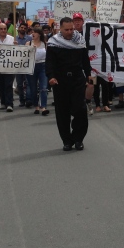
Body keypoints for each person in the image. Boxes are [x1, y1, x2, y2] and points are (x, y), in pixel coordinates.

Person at [46, 18, 93, 151]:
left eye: (71, 29)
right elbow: (49, 63)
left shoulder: (80, 41)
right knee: (62, 112)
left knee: (80, 110)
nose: (70, 32)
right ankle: (67, 141)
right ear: (60, 29)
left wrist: (89, 74)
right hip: (60, 81)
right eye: (66, 29)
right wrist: (51, 76)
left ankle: (78, 139)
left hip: (77, 79)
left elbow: (85, 60)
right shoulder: (53, 43)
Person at [0, 23, 15, 112]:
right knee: (1, 85)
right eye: (1, 29)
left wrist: (16, 46)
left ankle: (9, 104)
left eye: (5, 29)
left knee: (8, 85)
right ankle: (3, 102)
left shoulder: (12, 39)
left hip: (9, 66)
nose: (3, 30)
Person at [27, 27, 50, 116]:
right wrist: (30, 49)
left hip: (43, 66)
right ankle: (36, 105)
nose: (33, 34)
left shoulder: (45, 44)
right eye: (32, 32)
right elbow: (23, 55)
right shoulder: (28, 43)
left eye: (35, 32)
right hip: (32, 67)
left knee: (44, 87)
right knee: (33, 88)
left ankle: (43, 107)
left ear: (39, 34)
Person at [15, 23, 33, 107]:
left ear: (26, 29)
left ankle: (28, 99)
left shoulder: (30, 38)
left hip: (27, 64)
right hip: (18, 65)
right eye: (21, 27)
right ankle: (21, 100)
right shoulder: (14, 39)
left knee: (28, 83)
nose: (22, 29)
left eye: (24, 28)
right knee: (19, 84)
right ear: (18, 28)